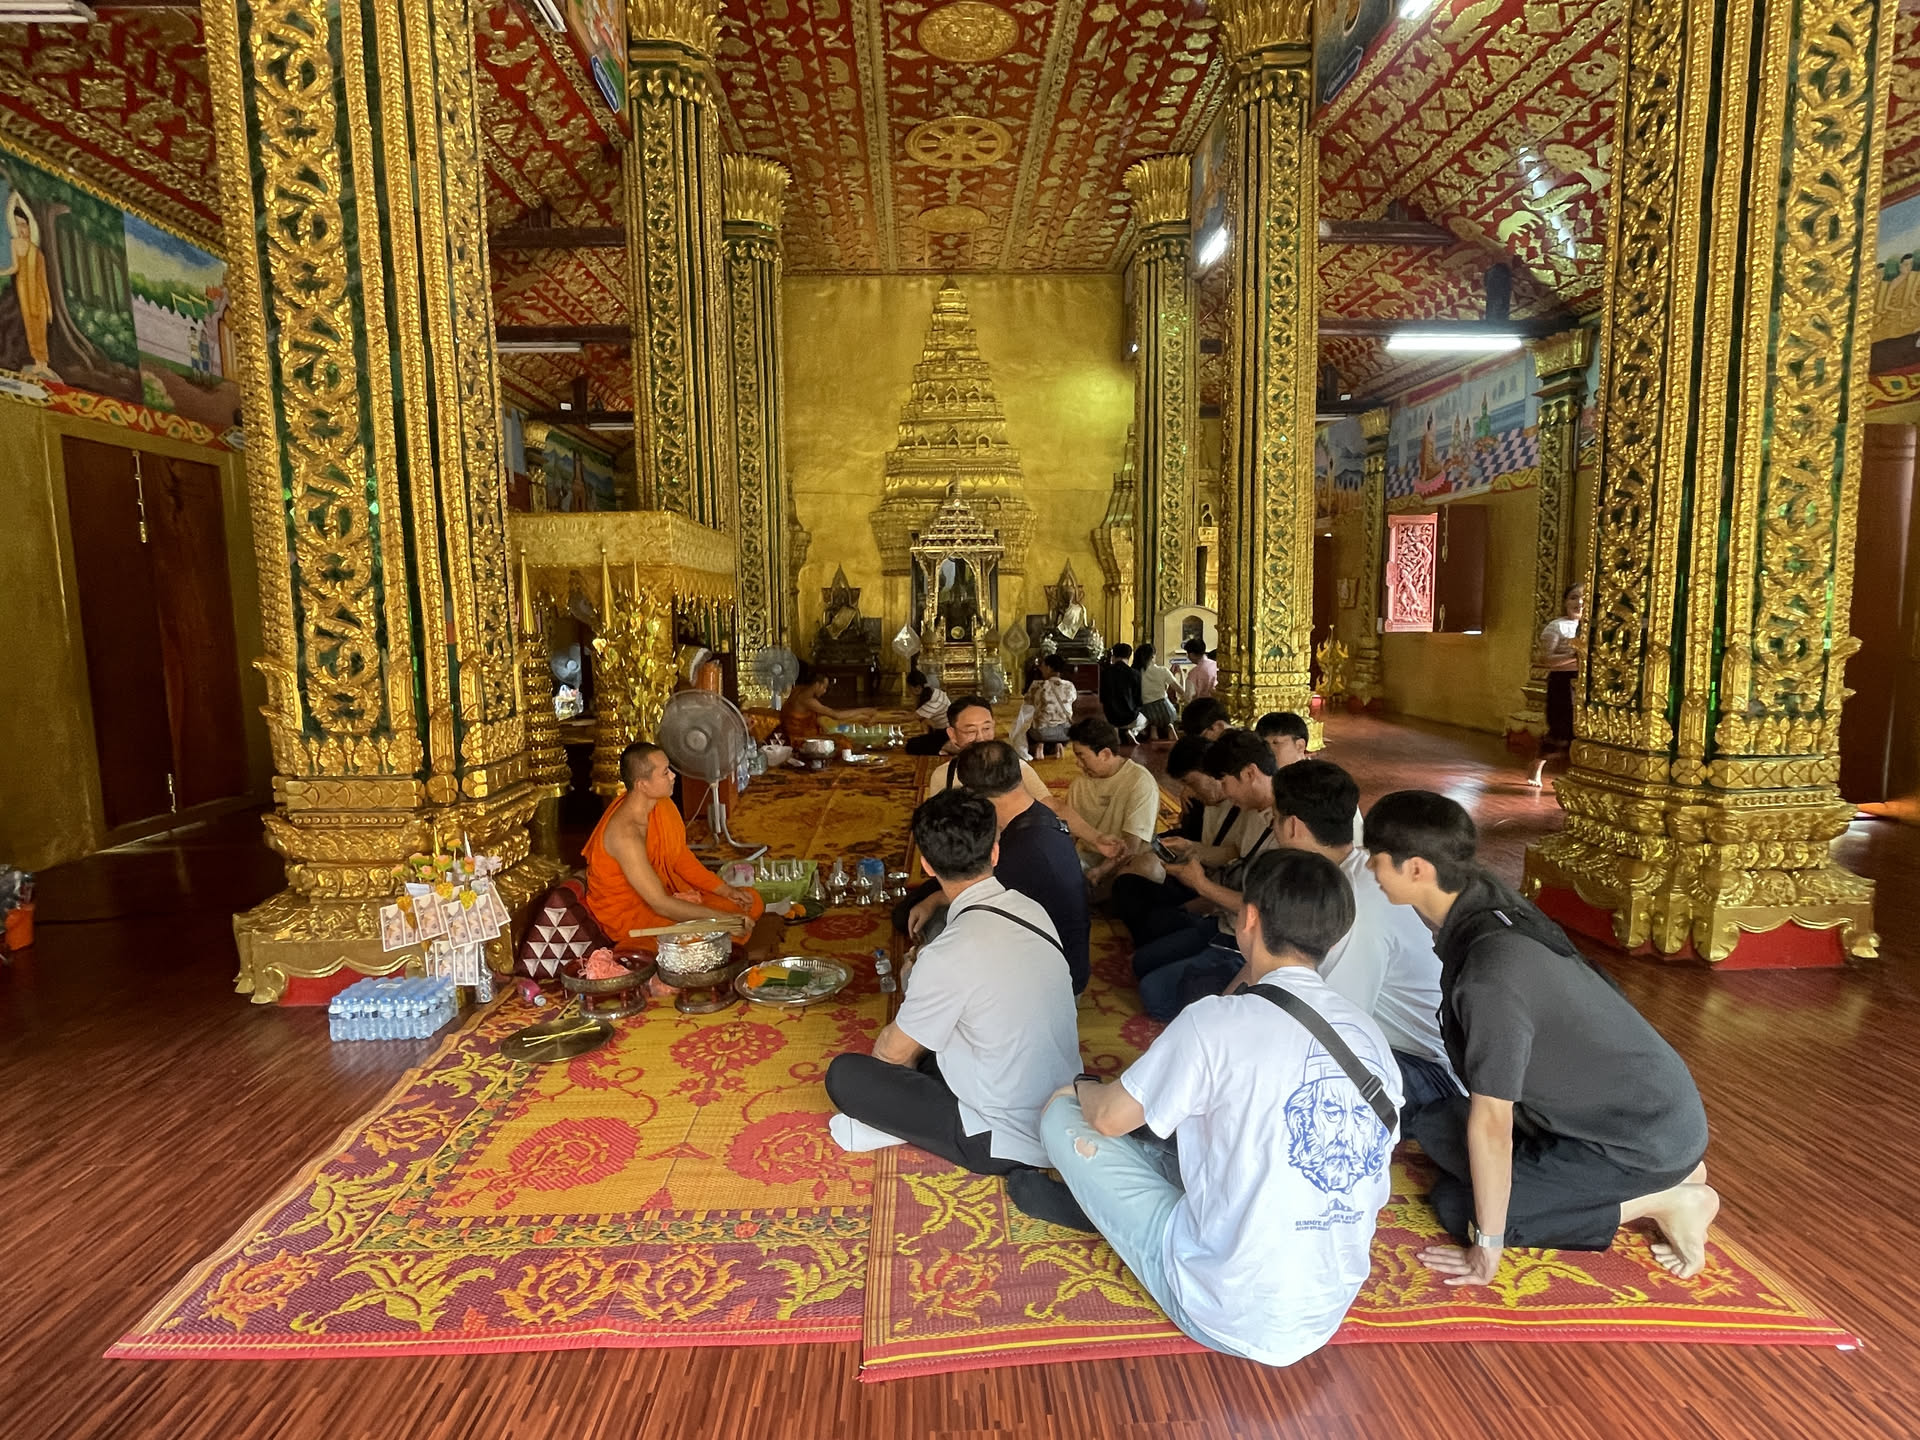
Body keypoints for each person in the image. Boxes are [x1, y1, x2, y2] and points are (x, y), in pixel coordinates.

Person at [1029, 850, 1402, 1367]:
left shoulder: (1215, 1022)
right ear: (1335, 938)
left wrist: (1079, 1088)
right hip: (1325, 1308)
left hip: (1222, 1308)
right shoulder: (1370, 1038)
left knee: (1062, 1119)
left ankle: (1116, 1212)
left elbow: (1109, 1118)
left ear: (1248, 919)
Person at [1363, 790, 1719, 1281]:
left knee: (1458, 1206)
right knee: (1437, 1125)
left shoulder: (1491, 974)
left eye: (1377, 860)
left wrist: (1487, 1245)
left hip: (1633, 1137)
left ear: (1417, 869)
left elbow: (1493, 1120)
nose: (1371, 870)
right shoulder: (1481, 897)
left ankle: (1666, 1197)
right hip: (1588, 1111)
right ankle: (1667, 1172)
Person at [825, 790, 1082, 1175]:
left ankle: (905, 1126)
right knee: (943, 1034)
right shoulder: (1033, 910)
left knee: (846, 1075)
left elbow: (893, 1055)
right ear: (995, 852)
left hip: (1002, 1139)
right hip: (1065, 1107)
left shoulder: (947, 954)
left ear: (926, 866)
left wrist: (892, 1079)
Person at [1256, 761, 1457, 1113]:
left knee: (1277, 1085)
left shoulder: (1358, 900)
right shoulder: (1345, 874)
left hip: (1420, 1065)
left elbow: (1333, 1020)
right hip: (1377, 1040)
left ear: (1292, 825)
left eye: (1273, 817)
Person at [1139, 730, 1279, 1017]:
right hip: (1226, 924)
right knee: (1142, 962)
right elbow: (1235, 853)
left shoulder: (1287, 825)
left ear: (1249, 773)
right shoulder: (1255, 810)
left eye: (1224, 782)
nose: (1224, 792)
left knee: (1154, 994)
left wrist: (1201, 885)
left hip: (1248, 943)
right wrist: (1193, 850)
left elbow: (1267, 910)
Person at [582, 741, 770, 951]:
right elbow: (659, 904)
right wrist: (723, 921)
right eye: (665, 773)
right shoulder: (625, 835)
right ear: (642, 784)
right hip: (635, 916)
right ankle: (638, 947)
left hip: (665, 897)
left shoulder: (661, 804)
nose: (673, 776)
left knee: (751, 901)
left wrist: (725, 890)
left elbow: (680, 857)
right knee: (716, 937)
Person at [946, 740, 1091, 993]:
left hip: (1052, 984)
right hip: (1067, 963)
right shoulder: (1039, 816)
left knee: (942, 938)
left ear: (973, 794)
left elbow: (978, 909)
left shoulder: (1024, 851)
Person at [1109, 735, 1259, 945]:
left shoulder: (1248, 807)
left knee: (1153, 922)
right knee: (1126, 886)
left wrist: (1197, 877)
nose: (1191, 791)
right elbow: (1203, 843)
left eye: (1191, 783)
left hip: (1217, 893)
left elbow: (1234, 858)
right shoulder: (1199, 800)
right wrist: (1186, 848)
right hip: (1197, 876)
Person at [1062, 716, 1162, 884]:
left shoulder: (1139, 781)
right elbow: (1069, 835)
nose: (1078, 764)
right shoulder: (1079, 784)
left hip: (1128, 860)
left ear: (1105, 754)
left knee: (1148, 870)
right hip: (1087, 858)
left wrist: (1101, 871)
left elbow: (1132, 845)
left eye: (1081, 756)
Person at [1258, 710, 1363, 845]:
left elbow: (1353, 842)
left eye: (1275, 743)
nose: (1267, 751)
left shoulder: (1324, 783)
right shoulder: (1269, 781)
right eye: (1263, 745)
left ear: (1300, 745)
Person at [922, 695, 1052, 803]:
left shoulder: (1017, 768)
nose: (981, 738)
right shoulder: (944, 775)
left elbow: (1049, 804)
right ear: (952, 735)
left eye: (986, 728)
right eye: (971, 731)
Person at [1529, 583, 1585, 788]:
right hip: (1562, 684)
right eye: (1573, 597)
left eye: (1584, 598)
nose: (1579, 602)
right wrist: (1575, 656)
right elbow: (1545, 659)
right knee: (1560, 731)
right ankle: (1536, 765)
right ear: (1565, 602)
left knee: (1581, 732)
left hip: (1585, 685)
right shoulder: (1557, 627)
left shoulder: (1595, 628)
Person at [780, 660, 872, 741]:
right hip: (799, 738)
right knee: (841, 740)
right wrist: (864, 710)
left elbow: (813, 717)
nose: (824, 691)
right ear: (817, 684)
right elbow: (837, 715)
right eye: (824, 687)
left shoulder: (798, 689)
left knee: (834, 734)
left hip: (800, 734)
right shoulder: (807, 700)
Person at [1025, 653, 1079, 758]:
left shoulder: (1038, 685)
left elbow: (1028, 702)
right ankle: (1059, 744)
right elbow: (1072, 700)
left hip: (1041, 732)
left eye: (1043, 666)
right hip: (1065, 732)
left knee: (1028, 727)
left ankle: (1039, 745)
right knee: (1060, 723)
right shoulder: (1070, 686)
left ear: (1049, 668)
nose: (1041, 669)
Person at [1134, 643, 1182, 741]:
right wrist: (1181, 674)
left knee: (1153, 726)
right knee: (1170, 723)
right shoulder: (1163, 671)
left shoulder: (1136, 672)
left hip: (1147, 711)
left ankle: (1153, 734)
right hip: (1166, 709)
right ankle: (1170, 729)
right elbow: (1181, 690)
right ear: (1153, 656)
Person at [1099, 642, 1143, 744]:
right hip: (1130, 716)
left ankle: (1116, 732)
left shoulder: (1105, 672)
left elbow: (1102, 697)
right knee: (1146, 719)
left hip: (1110, 715)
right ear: (1129, 656)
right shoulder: (1135, 673)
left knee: (1112, 714)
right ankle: (1132, 731)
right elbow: (1138, 699)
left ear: (1113, 656)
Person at [904, 667, 951, 755]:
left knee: (911, 745)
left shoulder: (933, 701)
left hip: (946, 734)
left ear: (917, 688)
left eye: (909, 688)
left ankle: (945, 748)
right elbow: (920, 716)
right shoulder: (936, 692)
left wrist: (879, 718)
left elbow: (909, 718)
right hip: (942, 730)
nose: (908, 691)